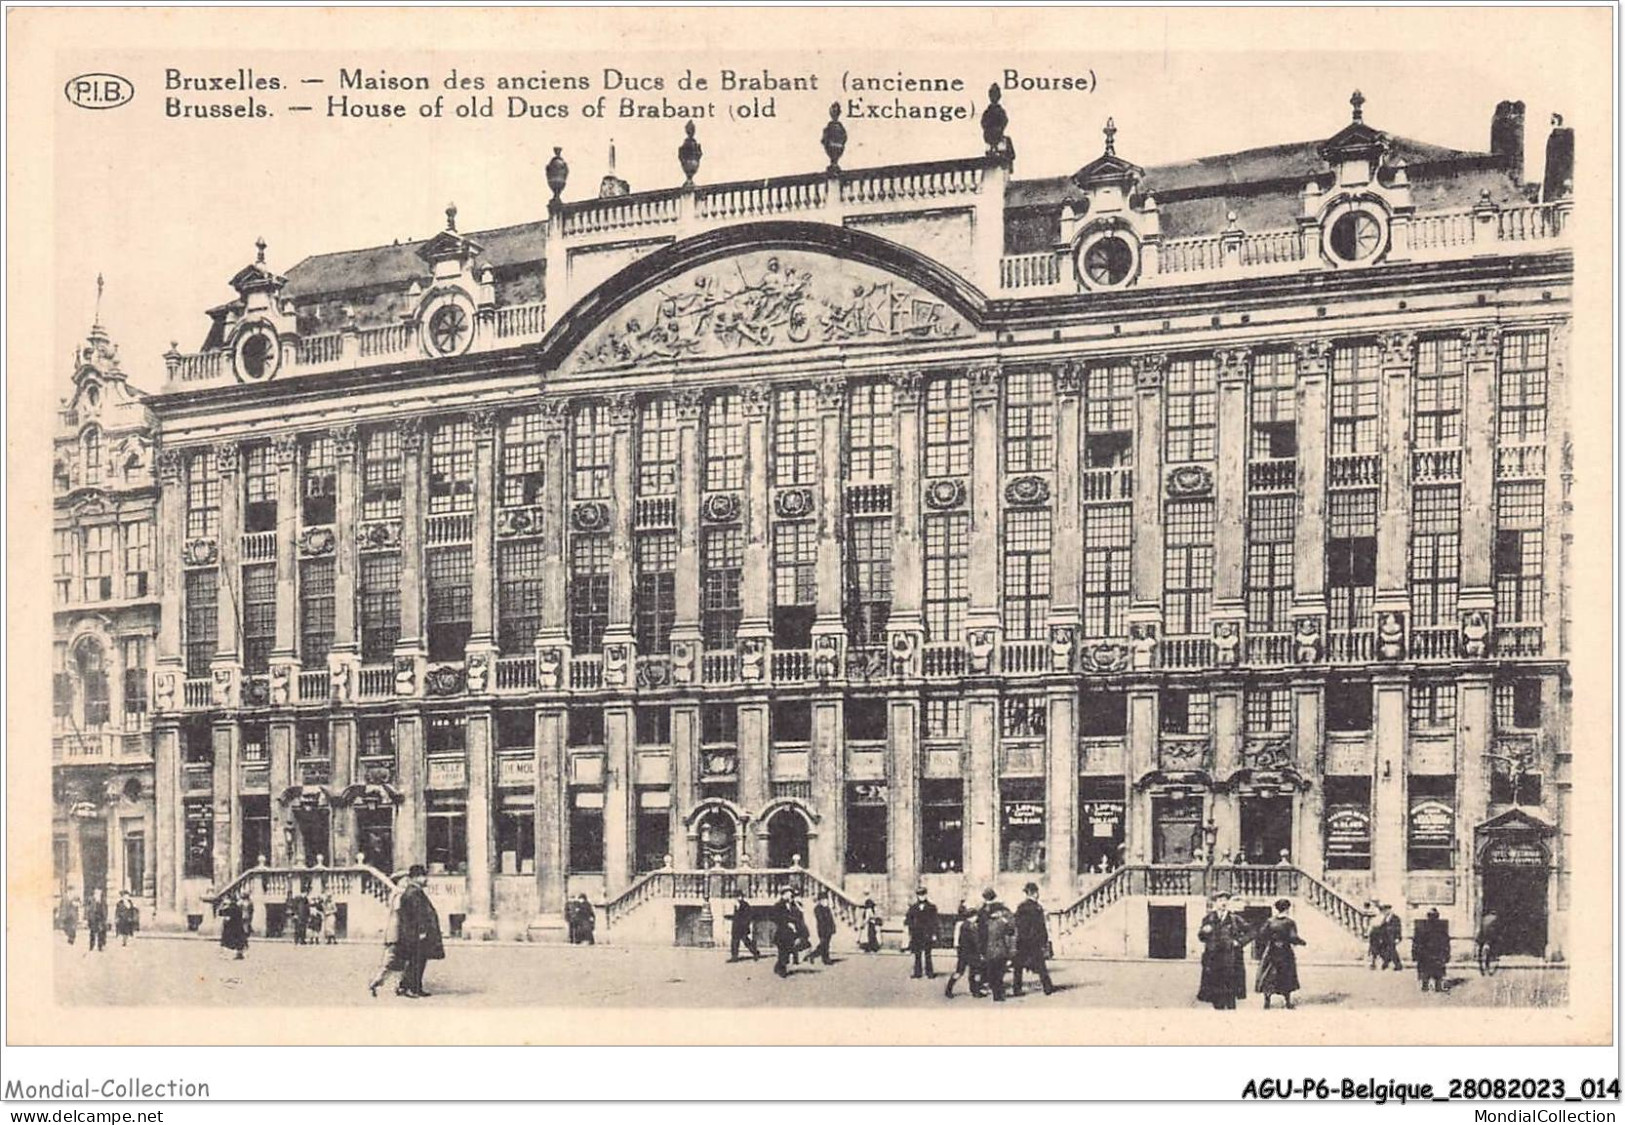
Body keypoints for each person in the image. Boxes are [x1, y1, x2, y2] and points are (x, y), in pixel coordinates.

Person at [394, 864, 445, 997]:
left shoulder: (413, 891)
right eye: (423, 876)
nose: (426, 879)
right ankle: (413, 988)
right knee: (417, 961)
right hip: (416, 933)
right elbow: (418, 915)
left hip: (413, 932)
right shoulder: (413, 893)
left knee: (414, 960)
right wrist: (422, 931)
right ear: (416, 877)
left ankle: (405, 987)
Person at [1197, 892, 1250, 1010]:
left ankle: (1230, 1012)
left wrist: (1239, 942)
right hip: (1213, 958)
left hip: (1231, 958)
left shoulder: (1235, 919)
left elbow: (1250, 932)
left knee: (1231, 990)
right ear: (1215, 903)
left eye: (1226, 900)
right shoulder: (1208, 918)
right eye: (1220, 900)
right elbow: (1201, 938)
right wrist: (1204, 932)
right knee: (1215, 990)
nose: (1223, 903)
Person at [1255, 898, 1306, 1009]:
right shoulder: (1289, 922)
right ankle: (1287, 1002)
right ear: (1287, 909)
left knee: (1269, 975)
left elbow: (1262, 934)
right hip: (1285, 952)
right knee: (1286, 975)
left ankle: (1267, 1002)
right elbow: (1293, 937)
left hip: (1271, 951)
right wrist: (1302, 942)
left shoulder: (1270, 921)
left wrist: (1271, 940)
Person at [1012, 882, 1055, 997]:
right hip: (1034, 941)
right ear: (1033, 893)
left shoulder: (1021, 907)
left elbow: (1017, 923)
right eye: (1036, 892)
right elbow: (1040, 926)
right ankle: (1047, 987)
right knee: (1041, 965)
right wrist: (1044, 940)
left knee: (1018, 966)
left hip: (1022, 940)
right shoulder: (1037, 907)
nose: (1038, 894)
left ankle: (1017, 988)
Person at [975, 889, 1016, 1002]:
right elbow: (1011, 929)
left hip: (987, 944)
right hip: (999, 945)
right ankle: (997, 992)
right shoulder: (1002, 910)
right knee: (998, 969)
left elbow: (979, 930)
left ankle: (992, 989)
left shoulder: (982, 911)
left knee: (991, 968)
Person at [369, 879, 407, 998]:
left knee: (399, 961)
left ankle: (397, 986)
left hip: (395, 931)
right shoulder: (398, 897)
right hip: (396, 932)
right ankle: (376, 982)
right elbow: (399, 911)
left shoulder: (396, 895)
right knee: (391, 959)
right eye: (405, 881)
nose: (406, 883)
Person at [943, 903, 984, 999]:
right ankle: (975, 991)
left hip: (963, 954)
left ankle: (949, 989)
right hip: (971, 953)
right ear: (972, 917)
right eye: (975, 916)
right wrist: (981, 953)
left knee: (960, 972)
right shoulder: (970, 927)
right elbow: (976, 941)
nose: (977, 918)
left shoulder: (965, 925)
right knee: (975, 972)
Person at [770, 887, 806, 978]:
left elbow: (798, 916)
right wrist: (786, 923)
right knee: (783, 952)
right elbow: (774, 917)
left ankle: (778, 966)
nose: (790, 895)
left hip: (790, 933)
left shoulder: (793, 905)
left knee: (787, 951)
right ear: (783, 894)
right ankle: (782, 971)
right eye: (788, 894)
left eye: (791, 894)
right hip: (782, 933)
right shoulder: (778, 905)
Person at [904, 888, 940, 979]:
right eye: (919, 895)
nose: (921, 897)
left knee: (928, 954)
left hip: (927, 933)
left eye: (923, 894)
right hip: (917, 934)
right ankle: (917, 972)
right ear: (917, 896)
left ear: (926, 895)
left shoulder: (932, 907)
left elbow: (935, 921)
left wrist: (934, 934)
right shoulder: (913, 907)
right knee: (917, 954)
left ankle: (929, 972)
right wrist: (911, 929)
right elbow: (908, 919)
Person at [1414, 908, 1451, 992]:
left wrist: (1416, 953)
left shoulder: (1422, 926)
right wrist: (1447, 953)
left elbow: (1416, 941)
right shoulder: (1441, 927)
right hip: (1433, 953)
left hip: (1429, 953)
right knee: (1434, 970)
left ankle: (1427, 986)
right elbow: (1446, 941)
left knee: (1429, 970)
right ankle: (1432, 986)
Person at [725, 894, 760, 962]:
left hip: (742, 927)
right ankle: (734, 956)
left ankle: (755, 952)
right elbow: (736, 916)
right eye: (736, 897)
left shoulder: (745, 905)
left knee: (746, 941)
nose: (738, 898)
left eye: (739, 897)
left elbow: (748, 916)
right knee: (734, 942)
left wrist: (745, 924)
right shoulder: (736, 905)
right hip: (736, 927)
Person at [1370, 904, 1403, 971]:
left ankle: (1397, 965)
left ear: (1389, 910)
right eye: (1384, 910)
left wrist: (1398, 937)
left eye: (1386, 910)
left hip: (1392, 937)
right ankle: (1387, 963)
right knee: (1386, 951)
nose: (1385, 912)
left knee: (1392, 951)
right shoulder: (1385, 918)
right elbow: (1382, 928)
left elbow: (1398, 928)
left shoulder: (1395, 918)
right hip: (1385, 937)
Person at [219, 893, 248, 960]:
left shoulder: (231, 908)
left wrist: (222, 906)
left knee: (230, 941)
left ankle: (231, 954)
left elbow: (221, 913)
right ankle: (239, 953)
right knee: (238, 941)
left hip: (230, 928)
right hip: (237, 927)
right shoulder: (237, 907)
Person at [811, 892, 837, 965]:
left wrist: (833, 928)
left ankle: (817, 956)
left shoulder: (827, 908)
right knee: (824, 944)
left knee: (825, 944)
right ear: (820, 901)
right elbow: (821, 919)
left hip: (829, 929)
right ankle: (824, 958)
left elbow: (831, 919)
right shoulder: (817, 908)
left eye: (826, 900)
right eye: (824, 900)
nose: (826, 901)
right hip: (822, 929)